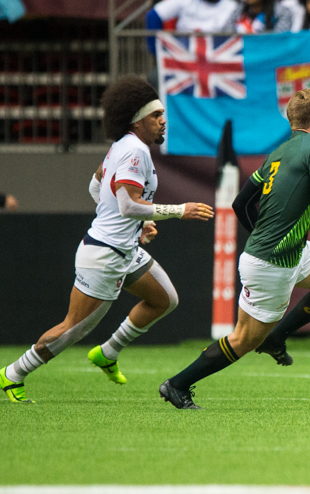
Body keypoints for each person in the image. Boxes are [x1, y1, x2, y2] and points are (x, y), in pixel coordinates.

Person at [159, 88, 310, 409]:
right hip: (272, 263)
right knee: (244, 340)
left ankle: (277, 336)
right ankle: (177, 385)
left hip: (286, 251)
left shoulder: (279, 152)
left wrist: (265, 235)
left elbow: (240, 203)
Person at [1, 76, 215, 404]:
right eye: (156, 115)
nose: (163, 120)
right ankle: (13, 373)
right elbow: (128, 203)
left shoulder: (123, 147)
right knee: (73, 329)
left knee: (165, 299)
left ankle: (108, 352)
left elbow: (96, 187)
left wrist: (135, 226)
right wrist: (178, 210)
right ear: (137, 120)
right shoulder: (134, 151)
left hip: (122, 247)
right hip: (105, 255)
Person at [225, 0, 295, 32]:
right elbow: (226, 34)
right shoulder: (239, 10)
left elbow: (278, 40)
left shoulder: (281, 12)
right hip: (242, 56)